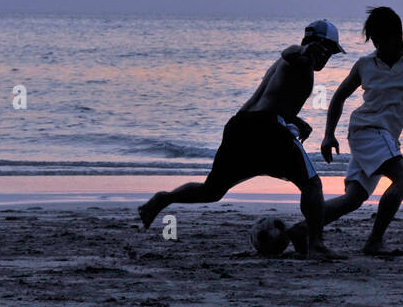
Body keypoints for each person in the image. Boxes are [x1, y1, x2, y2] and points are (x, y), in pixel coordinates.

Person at [137, 20, 345, 260]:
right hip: (268, 129)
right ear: (320, 45)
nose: (329, 58)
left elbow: (271, 99)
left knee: (211, 191)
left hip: (240, 127)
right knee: (311, 185)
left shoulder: (285, 67)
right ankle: (316, 244)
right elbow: (288, 51)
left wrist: (295, 121)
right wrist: (303, 50)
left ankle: (165, 198)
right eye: (329, 51)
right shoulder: (298, 59)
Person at [284, 7, 403, 255]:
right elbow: (338, 97)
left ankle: (302, 229)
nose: (378, 45)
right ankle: (375, 241)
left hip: (382, 137)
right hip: (368, 130)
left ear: (397, 36)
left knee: (354, 198)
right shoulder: (365, 64)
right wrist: (328, 134)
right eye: (374, 41)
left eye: (382, 39)